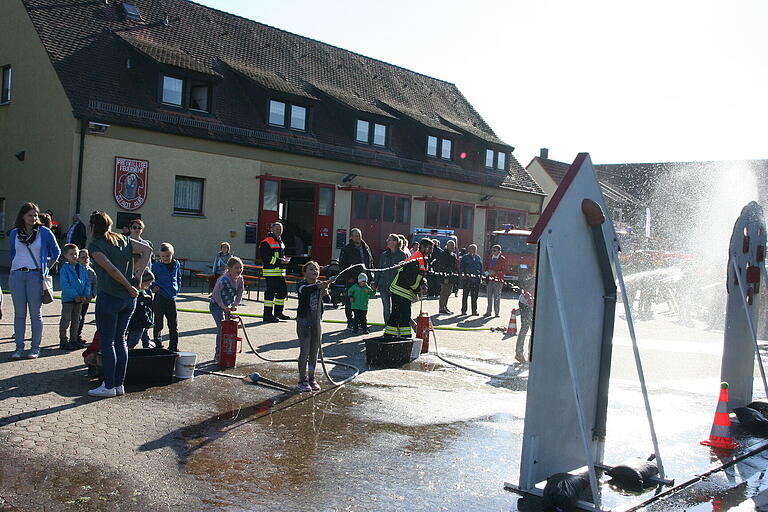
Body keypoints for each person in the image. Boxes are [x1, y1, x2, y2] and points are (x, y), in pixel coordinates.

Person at [87, 211, 151, 398]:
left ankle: (108, 385)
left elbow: (111, 270)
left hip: (109, 297)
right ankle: (119, 384)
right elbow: (148, 250)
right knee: (121, 340)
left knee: (107, 343)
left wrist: (130, 285)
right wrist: (137, 276)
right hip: (128, 300)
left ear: (92, 227)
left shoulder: (95, 245)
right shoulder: (122, 239)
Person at [8, 202, 61, 359]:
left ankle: (35, 348)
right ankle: (18, 348)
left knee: (35, 313)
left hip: (35, 276)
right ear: (22, 216)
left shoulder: (43, 232)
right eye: (30, 215)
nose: (33, 218)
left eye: (35, 215)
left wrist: (46, 268)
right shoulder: (15, 233)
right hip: (17, 275)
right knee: (19, 314)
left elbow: (56, 251)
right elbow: (12, 252)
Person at [384, 238, 433, 338]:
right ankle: (405, 338)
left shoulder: (420, 258)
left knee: (397, 315)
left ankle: (391, 336)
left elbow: (420, 276)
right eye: (430, 248)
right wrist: (417, 289)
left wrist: (423, 284)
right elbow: (410, 279)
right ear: (423, 247)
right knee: (403, 316)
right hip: (401, 291)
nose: (431, 251)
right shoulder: (417, 259)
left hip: (401, 290)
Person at [295, 261, 330, 392]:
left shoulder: (320, 285)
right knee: (305, 351)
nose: (314, 271)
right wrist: (319, 286)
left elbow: (328, 301)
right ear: (305, 272)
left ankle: (311, 377)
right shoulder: (302, 285)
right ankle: (302, 379)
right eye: (310, 269)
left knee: (314, 352)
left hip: (316, 323)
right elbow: (304, 291)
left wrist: (325, 292)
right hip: (304, 323)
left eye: (316, 269)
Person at [210, 256, 245, 362]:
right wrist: (222, 306)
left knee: (228, 329)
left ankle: (226, 353)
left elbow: (240, 292)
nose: (238, 270)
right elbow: (215, 293)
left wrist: (235, 304)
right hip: (216, 305)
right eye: (236, 268)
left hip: (227, 307)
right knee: (221, 328)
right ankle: (218, 353)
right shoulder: (223, 279)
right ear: (229, 269)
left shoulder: (240, 279)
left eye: (240, 268)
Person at [338, 228, 373, 330]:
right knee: (350, 301)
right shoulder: (347, 249)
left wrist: (371, 276)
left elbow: (370, 262)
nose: (358, 238)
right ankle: (350, 322)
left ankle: (360, 322)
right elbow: (342, 265)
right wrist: (348, 278)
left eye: (360, 235)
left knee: (362, 302)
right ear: (351, 237)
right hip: (352, 280)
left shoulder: (365, 247)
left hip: (364, 279)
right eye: (356, 236)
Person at [151, 243, 182, 351]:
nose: (165, 258)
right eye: (163, 256)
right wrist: (153, 286)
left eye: (168, 256)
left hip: (171, 298)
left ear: (172, 255)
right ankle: (158, 344)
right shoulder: (156, 266)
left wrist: (177, 289)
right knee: (158, 323)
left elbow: (178, 277)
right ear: (160, 256)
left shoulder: (176, 264)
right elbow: (148, 278)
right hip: (160, 297)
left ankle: (173, 346)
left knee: (173, 324)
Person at [59, 243, 90, 350]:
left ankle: (74, 339)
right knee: (66, 320)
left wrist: (85, 294)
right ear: (66, 256)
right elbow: (65, 285)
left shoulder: (82, 268)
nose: (74, 256)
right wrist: (75, 295)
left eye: (76, 254)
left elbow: (86, 282)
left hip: (80, 299)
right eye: (71, 254)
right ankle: (64, 341)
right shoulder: (64, 269)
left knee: (76, 320)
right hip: (69, 299)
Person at [260, 222, 290, 323]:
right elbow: (266, 258)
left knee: (282, 293)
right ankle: (267, 315)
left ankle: (278, 313)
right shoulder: (266, 242)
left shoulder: (280, 242)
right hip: (271, 273)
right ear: (272, 229)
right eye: (277, 229)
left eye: (280, 229)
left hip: (280, 273)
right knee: (270, 295)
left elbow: (279, 255)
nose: (279, 231)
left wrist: (284, 259)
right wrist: (280, 261)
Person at [374, 234, 407, 323]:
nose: (387, 241)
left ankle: (394, 326)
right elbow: (380, 269)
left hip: (396, 287)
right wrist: (375, 283)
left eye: (389, 240)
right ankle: (387, 327)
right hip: (384, 286)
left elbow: (405, 272)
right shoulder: (384, 255)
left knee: (395, 308)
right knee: (386, 308)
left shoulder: (402, 255)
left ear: (395, 242)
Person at [126, 257, 154, 349]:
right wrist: (147, 321)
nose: (150, 285)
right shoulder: (139, 295)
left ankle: (147, 347)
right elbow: (141, 311)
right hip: (138, 323)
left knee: (145, 336)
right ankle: (128, 351)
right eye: (148, 283)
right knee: (134, 339)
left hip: (143, 323)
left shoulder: (146, 293)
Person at [76, 249, 98, 344]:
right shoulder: (75, 270)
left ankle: (78, 334)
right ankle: (73, 335)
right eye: (83, 257)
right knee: (76, 317)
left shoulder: (91, 271)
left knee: (82, 316)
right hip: (76, 298)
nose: (86, 259)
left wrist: (93, 294)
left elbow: (95, 283)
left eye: (87, 257)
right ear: (78, 259)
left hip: (87, 298)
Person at [433, 239, 458, 314]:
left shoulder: (453, 254)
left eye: (453, 246)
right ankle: (441, 308)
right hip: (445, 276)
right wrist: (445, 277)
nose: (452, 247)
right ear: (447, 246)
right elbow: (442, 266)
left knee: (449, 292)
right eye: (450, 245)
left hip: (452, 276)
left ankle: (445, 306)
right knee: (444, 292)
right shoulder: (444, 254)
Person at [484, 244, 508, 317]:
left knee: (497, 297)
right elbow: (486, 267)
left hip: (498, 280)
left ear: (499, 251)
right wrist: (486, 273)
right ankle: (488, 312)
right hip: (490, 280)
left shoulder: (503, 259)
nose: (493, 252)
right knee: (489, 296)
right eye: (492, 250)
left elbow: (504, 271)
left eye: (494, 250)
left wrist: (495, 273)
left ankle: (496, 313)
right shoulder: (490, 258)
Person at [460, 244, 483, 316]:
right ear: (469, 250)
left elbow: (481, 268)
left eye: (474, 249)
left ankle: (474, 311)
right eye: (472, 249)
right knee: (465, 295)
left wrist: (481, 277)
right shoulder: (465, 257)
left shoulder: (478, 257)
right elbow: (462, 267)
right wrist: (463, 275)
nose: (473, 250)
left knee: (475, 296)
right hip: (467, 279)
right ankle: (464, 310)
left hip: (476, 279)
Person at [516, 280, 535, 363]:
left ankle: (530, 354)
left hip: (528, 303)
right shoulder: (534, 284)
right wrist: (531, 305)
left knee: (533, 330)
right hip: (525, 303)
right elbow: (529, 296)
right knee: (525, 327)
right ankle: (519, 353)